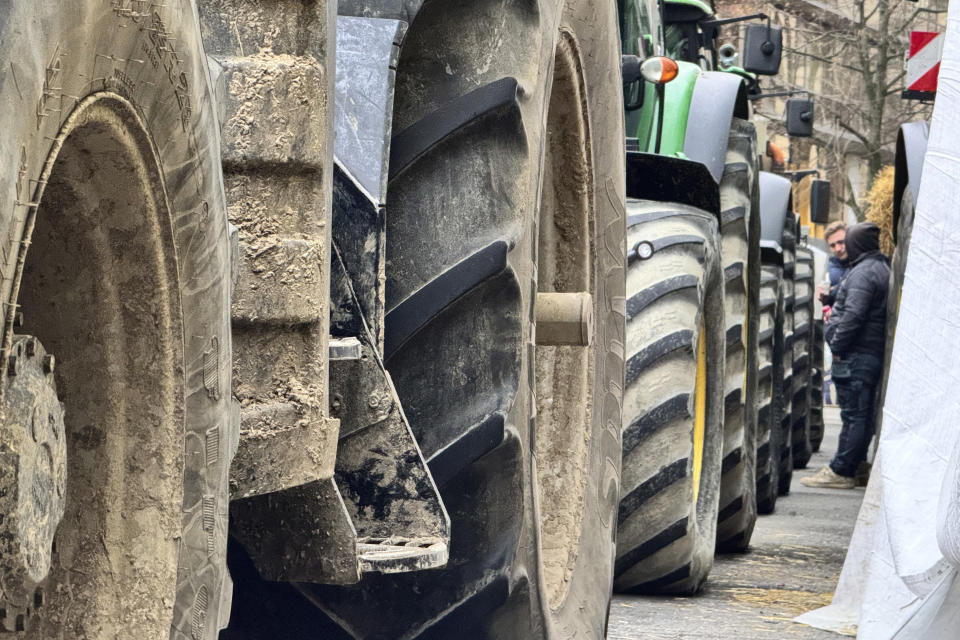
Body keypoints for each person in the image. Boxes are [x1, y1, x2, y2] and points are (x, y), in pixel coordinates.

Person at [801, 222, 889, 489]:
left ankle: (842, 470)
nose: (842, 248)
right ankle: (858, 465)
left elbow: (853, 315)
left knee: (854, 415)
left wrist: (837, 345)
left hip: (857, 355)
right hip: (866, 352)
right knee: (861, 414)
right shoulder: (878, 267)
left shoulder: (863, 273)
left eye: (846, 242)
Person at [818, 221, 851, 311]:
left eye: (841, 242)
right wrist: (825, 300)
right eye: (832, 245)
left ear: (850, 239)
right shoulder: (828, 269)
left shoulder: (862, 263)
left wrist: (833, 290)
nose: (838, 249)